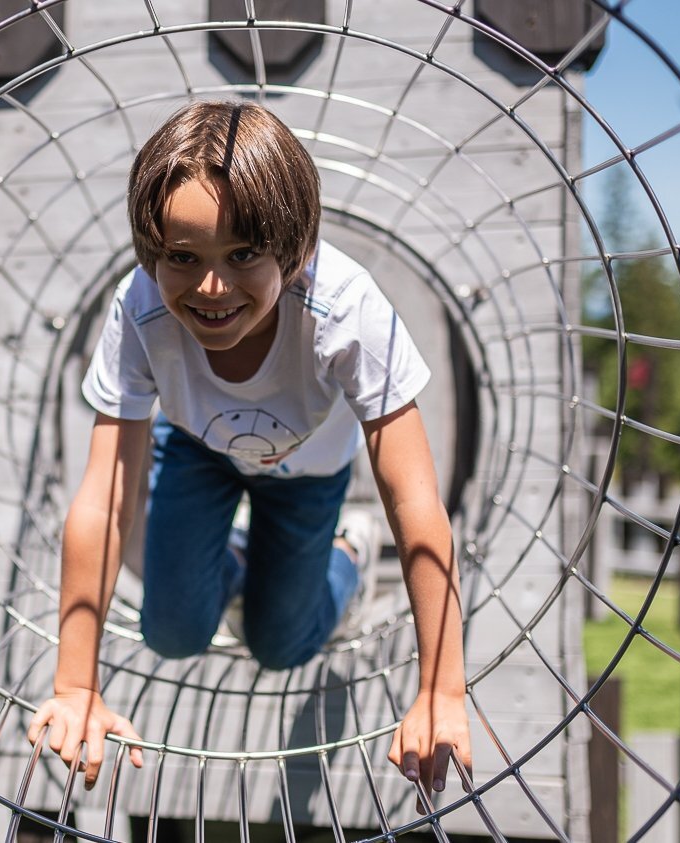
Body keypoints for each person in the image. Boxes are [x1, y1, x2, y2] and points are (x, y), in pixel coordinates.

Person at [27, 99, 471, 800]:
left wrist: (441, 686)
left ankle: (346, 555)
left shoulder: (345, 309)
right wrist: (76, 682)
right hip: (198, 448)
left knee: (281, 642)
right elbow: (105, 493)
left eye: (242, 254)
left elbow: (414, 497)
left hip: (308, 472)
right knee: (171, 629)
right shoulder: (140, 310)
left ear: (295, 252)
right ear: (151, 251)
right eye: (182, 256)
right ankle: (230, 554)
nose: (211, 286)